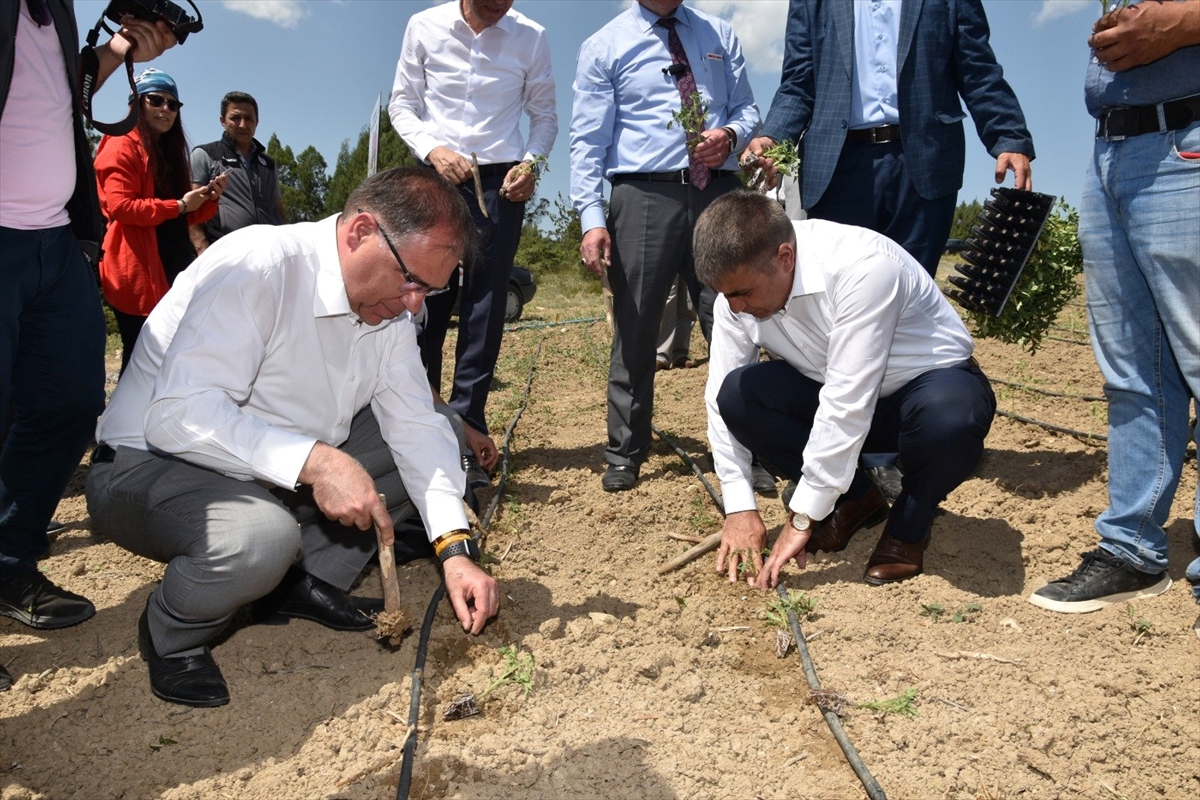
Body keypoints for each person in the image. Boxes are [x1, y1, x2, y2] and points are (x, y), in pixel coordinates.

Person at [84, 167, 500, 708]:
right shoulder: (259, 265)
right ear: (361, 232)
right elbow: (178, 415)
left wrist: (456, 551)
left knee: (438, 430)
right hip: (145, 464)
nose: (416, 304)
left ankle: (288, 583)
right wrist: (318, 463)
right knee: (260, 536)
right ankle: (173, 631)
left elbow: (416, 428)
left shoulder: (390, 314)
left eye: (432, 289)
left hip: (261, 471)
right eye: (411, 281)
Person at [0, 0, 176, 691]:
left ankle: (10, 562)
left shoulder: (54, 12)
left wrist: (116, 55)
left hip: (54, 240)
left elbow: (51, 92)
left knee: (70, 403)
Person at [693, 190, 996, 587]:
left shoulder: (863, 266)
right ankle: (855, 501)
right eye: (725, 294)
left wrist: (803, 516)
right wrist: (739, 505)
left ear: (784, 258)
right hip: (840, 398)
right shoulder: (735, 300)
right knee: (737, 395)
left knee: (950, 419)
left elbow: (848, 396)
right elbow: (718, 402)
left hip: (924, 393)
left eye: (742, 293)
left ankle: (908, 524)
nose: (733, 308)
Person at [1029, 0, 1199, 630]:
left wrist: (1186, 23)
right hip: (1114, 151)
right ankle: (1133, 550)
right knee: (1131, 369)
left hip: (1188, 143)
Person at [571, 0, 760, 492]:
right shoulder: (604, 45)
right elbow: (587, 140)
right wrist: (592, 218)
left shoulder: (719, 35)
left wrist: (732, 134)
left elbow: (747, 107)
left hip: (718, 191)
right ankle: (625, 450)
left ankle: (746, 447)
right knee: (636, 325)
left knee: (732, 321)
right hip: (643, 193)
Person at [389, 0, 557, 490]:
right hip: (434, 174)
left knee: (485, 305)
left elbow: (544, 117)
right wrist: (433, 149)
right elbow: (403, 103)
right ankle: (415, 425)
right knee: (422, 300)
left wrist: (530, 164)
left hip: (501, 181)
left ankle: (466, 429)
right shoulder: (423, 25)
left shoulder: (533, 36)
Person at [746, 0, 1035, 277]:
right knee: (842, 295)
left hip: (925, 167)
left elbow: (978, 68)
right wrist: (775, 135)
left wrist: (1008, 136)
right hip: (836, 172)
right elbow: (798, 82)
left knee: (913, 296)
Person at [95, 68, 226, 370]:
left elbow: (182, 216)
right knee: (141, 358)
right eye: (156, 100)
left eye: (173, 104)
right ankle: (126, 418)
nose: (166, 109)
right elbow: (122, 207)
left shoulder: (168, 150)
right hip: (137, 270)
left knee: (168, 356)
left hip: (170, 266)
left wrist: (209, 197)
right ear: (136, 102)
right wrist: (180, 205)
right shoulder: (121, 142)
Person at [188, 91, 287, 254]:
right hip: (226, 254)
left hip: (270, 253)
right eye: (235, 117)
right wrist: (201, 247)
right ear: (222, 120)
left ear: (257, 122)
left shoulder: (268, 164)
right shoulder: (205, 155)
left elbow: (278, 208)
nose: (242, 124)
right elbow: (191, 209)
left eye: (249, 118)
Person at [656, 275, 697, 372]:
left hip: (690, 259)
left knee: (688, 300)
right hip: (667, 259)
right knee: (668, 297)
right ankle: (661, 355)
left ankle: (680, 353)